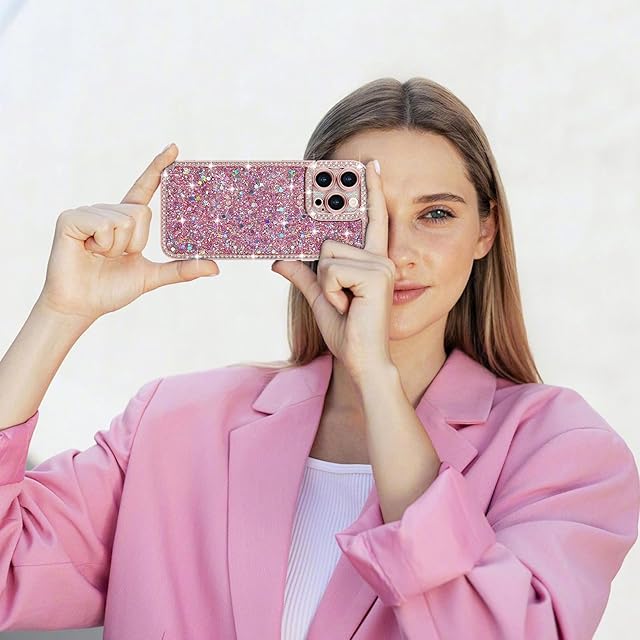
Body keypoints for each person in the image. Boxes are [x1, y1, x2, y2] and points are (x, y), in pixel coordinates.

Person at [0, 77, 637, 640]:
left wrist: (377, 378)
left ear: (485, 231)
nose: (395, 251)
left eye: (436, 214)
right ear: (307, 225)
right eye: (360, 211)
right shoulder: (174, 422)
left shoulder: (564, 449)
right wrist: (59, 314)